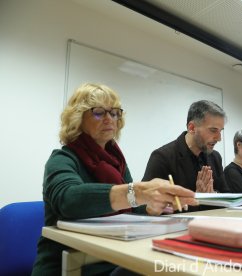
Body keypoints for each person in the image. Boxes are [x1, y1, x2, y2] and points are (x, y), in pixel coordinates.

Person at [32, 83, 198, 275]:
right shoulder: (62, 159)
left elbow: (132, 209)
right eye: (99, 112)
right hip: (67, 264)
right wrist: (137, 191)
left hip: (113, 256)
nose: (109, 119)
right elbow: (67, 200)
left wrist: (151, 207)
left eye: (114, 113)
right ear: (77, 119)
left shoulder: (116, 161)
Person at [142, 100, 230, 199]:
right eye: (213, 130)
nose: (219, 138)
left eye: (220, 131)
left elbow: (225, 195)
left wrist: (213, 194)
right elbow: (145, 205)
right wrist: (196, 198)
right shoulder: (162, 158)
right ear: (192, 128)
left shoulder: (215, 157)